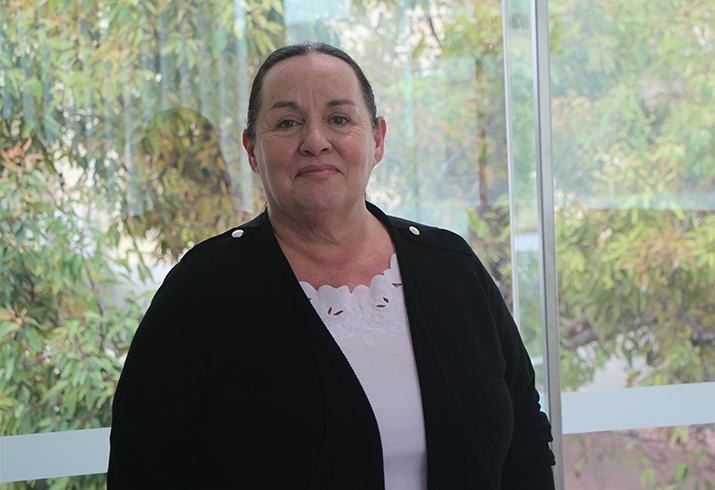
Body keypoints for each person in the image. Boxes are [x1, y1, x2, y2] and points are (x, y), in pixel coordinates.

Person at [108, 41, 556, 489]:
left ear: (377, 139)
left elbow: (525, 437)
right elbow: (142, 470)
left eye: (339, 119)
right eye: (287, 123)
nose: (315, 141)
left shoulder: (452, 267)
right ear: (251, 150)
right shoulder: (202, 291)